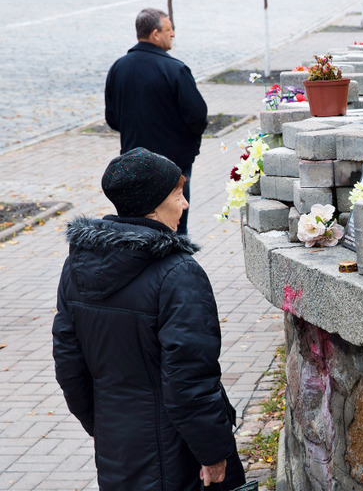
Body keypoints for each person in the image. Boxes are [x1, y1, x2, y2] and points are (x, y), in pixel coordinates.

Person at [53, 148, 245, 491]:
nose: (184, 204)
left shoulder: (76, 266)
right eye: (177, 194)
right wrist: (214, 453)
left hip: (117, 448)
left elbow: (69, 364)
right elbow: (189, 381)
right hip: (176, 452)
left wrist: (103, 424)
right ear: (153, 205)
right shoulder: (178, 274)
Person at [105, 8, 208, 235]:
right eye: (169, 30)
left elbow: (112, 119)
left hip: (134, 163)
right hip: (173, 164)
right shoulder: (175, 69)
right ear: (155, 34)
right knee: (174, 227)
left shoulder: (118, 68)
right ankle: (177, 267)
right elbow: (198, 116)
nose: (172, 35)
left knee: (137, 227)